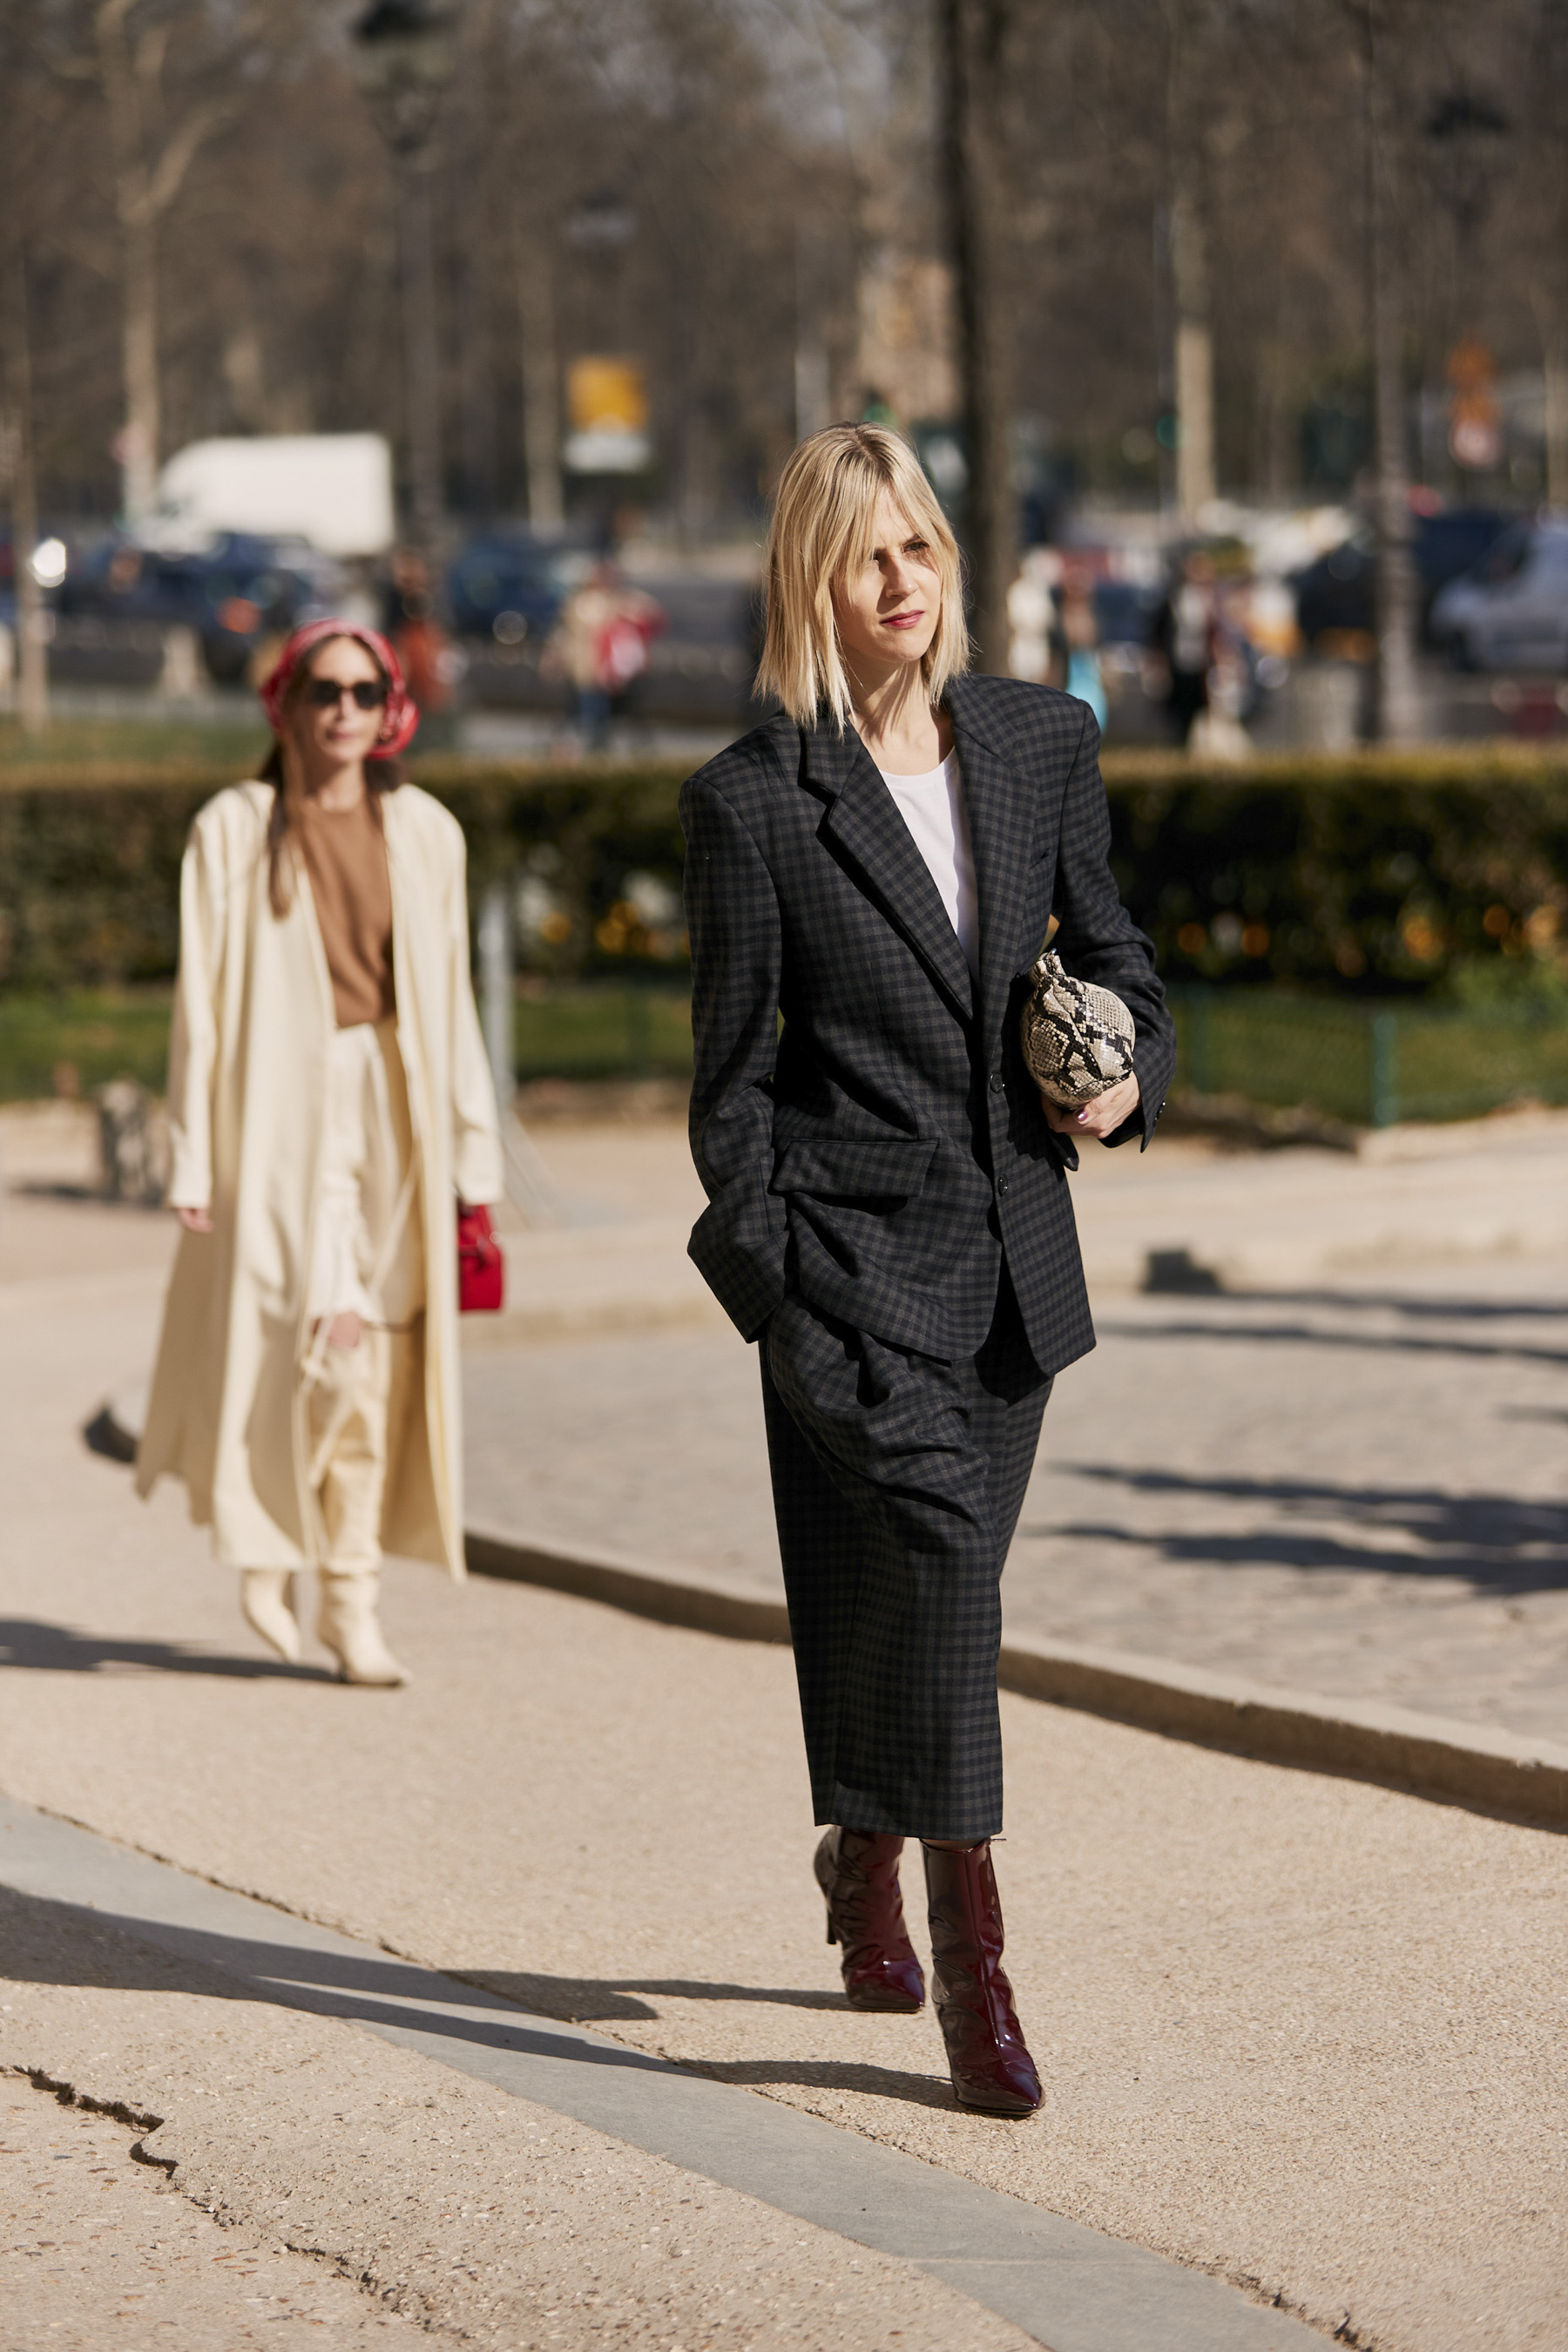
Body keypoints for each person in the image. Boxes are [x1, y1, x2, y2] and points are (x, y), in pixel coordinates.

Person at [679, 425, 1175, 2116]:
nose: (904, 580)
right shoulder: (756, 803)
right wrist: (776, 1285)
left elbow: (1113, 954)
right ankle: (983, 1975)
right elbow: (729, 1087)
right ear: (814, 579)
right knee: (948, 1569)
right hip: (852, 1267)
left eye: (925, 548)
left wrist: (1129, 1082)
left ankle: (864, 1844)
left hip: (1017, 1268)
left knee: (927, 1597)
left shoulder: (1041, 743)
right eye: (869, 554)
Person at [135, 620, 502, 1685]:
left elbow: (452, 1003)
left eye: (363, 691)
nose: (343, 709)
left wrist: (473, 1162)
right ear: (285, 707)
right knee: (316, 1341)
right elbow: (198, 1005)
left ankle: (346, 1592)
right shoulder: (236, 828)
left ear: (395, 709)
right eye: (322, 691)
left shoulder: (426, 830)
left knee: (375, 1349)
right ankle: (275, 1547)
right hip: (279, 1116)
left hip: (394, 1108)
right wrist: (193, 1154)